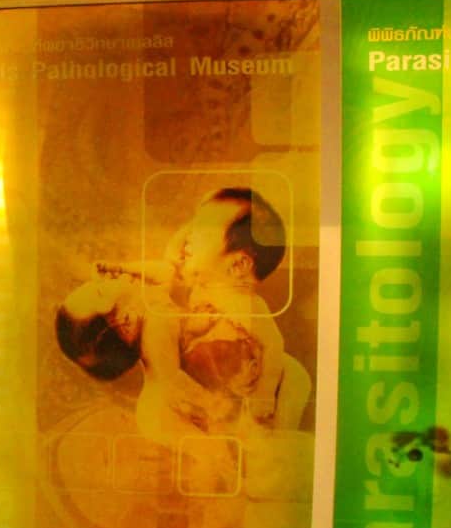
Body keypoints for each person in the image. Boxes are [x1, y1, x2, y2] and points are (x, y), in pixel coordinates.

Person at [56, 187, 310, 440]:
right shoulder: (191, 290)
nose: (187, 236)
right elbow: (167, 269)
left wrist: (264, 395)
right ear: (125, 321)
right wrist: (125, 268)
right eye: (101, 291)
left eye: (201, 230)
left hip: (257, 381)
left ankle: (280, 435)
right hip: (217, 388)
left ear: (238, 265)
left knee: (291, 379)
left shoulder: (242, 304)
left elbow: (273, 344)